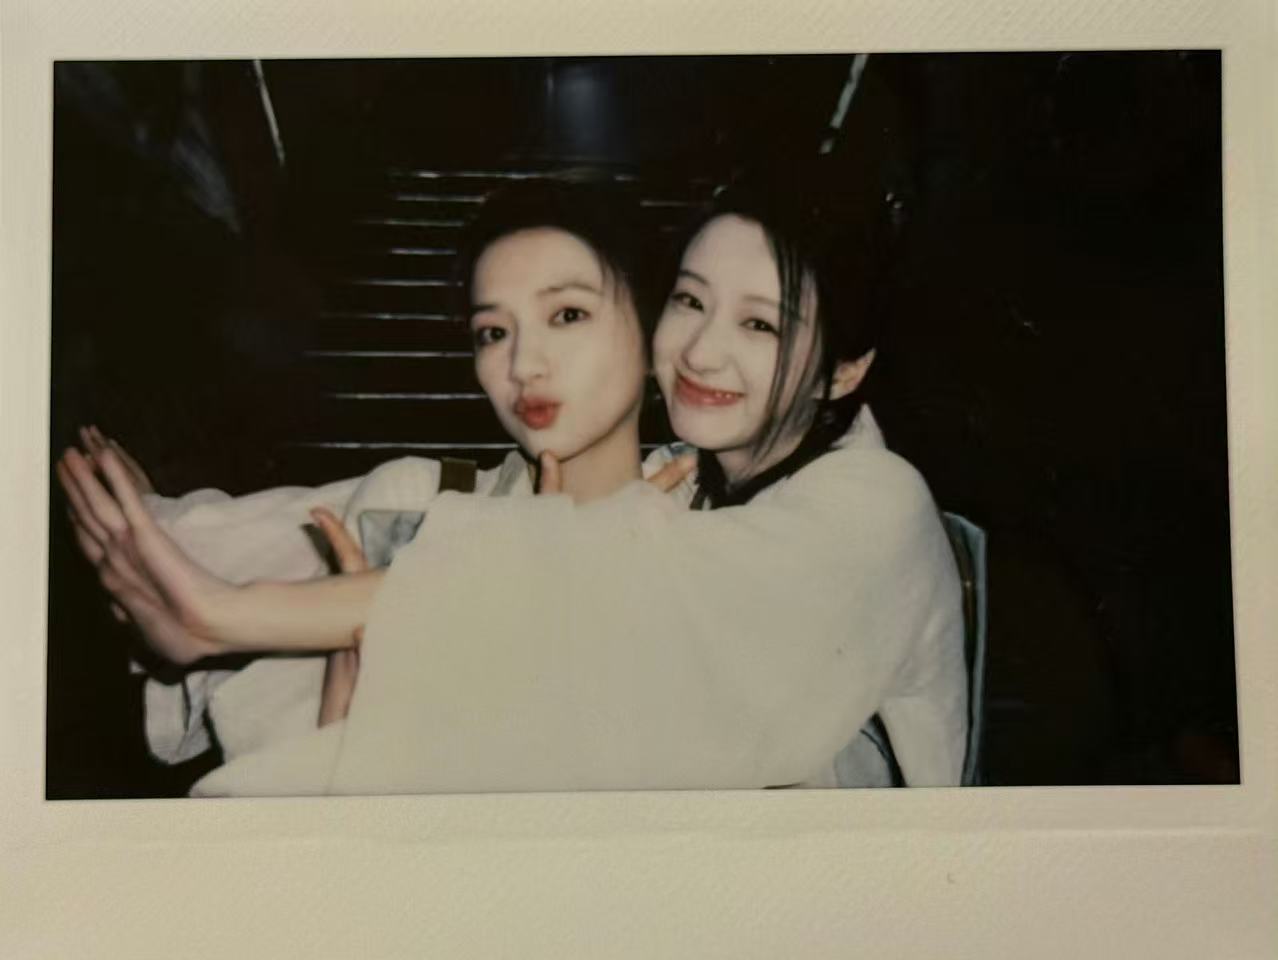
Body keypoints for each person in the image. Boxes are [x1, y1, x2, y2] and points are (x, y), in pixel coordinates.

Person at [61, 172, 966, 794]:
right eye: (692, 302)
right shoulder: (652, 490)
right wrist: (164, 529)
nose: (702, 350)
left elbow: (619, 588)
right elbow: (296, 526)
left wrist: (224, 614)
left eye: (762, 325)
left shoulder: (870, 503)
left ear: (846, 370)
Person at [58, 176, 691, 767]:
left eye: (568, 315)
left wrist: (214, 614)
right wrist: (342, 707)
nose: (523, 364)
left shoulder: (716, 517)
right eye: (493, 332)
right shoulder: (413, 505)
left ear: (657, 336)